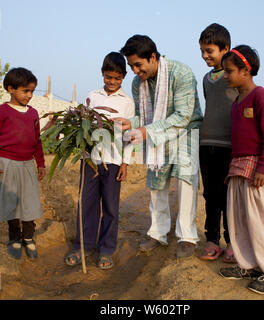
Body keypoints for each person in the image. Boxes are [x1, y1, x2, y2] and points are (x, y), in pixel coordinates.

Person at [114, 35, 203, 259]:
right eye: (131, 66)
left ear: (152, 57)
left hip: (185, 131)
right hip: (157, 133)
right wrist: (131, 123)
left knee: (185, 181)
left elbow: (183, 116)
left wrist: (146, 131)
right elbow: (142, 117)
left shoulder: (180, 73)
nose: (134, 71)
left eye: (138, 64)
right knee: (156, 182)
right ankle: (158, 232)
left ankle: (187, 236)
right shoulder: (138, 83)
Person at [217, 45, 264, 294]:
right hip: (238, 166)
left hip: (258, 168)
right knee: (241, 219)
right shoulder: (237, 102)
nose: (225, 76)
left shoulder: (262, 97)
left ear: (246, 70)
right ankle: (248, 264)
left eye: (229, 71)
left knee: (262, 220)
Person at [64, 52, 135, 270]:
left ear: (123, 76)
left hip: (113, 161)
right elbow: (83, 126)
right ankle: (82, 246)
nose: (112, 82)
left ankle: (106, 250)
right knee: (86, 204)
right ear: (102, 74)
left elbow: (129, 135)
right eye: (108, 77)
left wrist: (125, 163)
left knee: (111, 208)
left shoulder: (127, 102)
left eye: (116, 78)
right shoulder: (92, 96)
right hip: (91, 159)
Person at [0, 67, 46, 260]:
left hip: (27, 165)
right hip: (6, 164)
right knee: (11, 204)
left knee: (29, 203)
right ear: (11, 88)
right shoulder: (0, 112)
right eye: (25, 91)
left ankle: (28, 237)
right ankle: (14, 238)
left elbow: (37, 141)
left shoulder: (33, 113)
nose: (29, 95)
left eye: (32, 91)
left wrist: (40, 163)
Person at [198, 23, 238, 263]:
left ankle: (233, 242)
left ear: (225, 49)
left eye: (209, 51)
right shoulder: (206, 78)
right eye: (202, 51)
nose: (205, 55)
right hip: (206, 144)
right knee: (210, 195)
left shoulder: (234, 76)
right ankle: (212, 241)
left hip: (229, 147)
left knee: (229, 197)